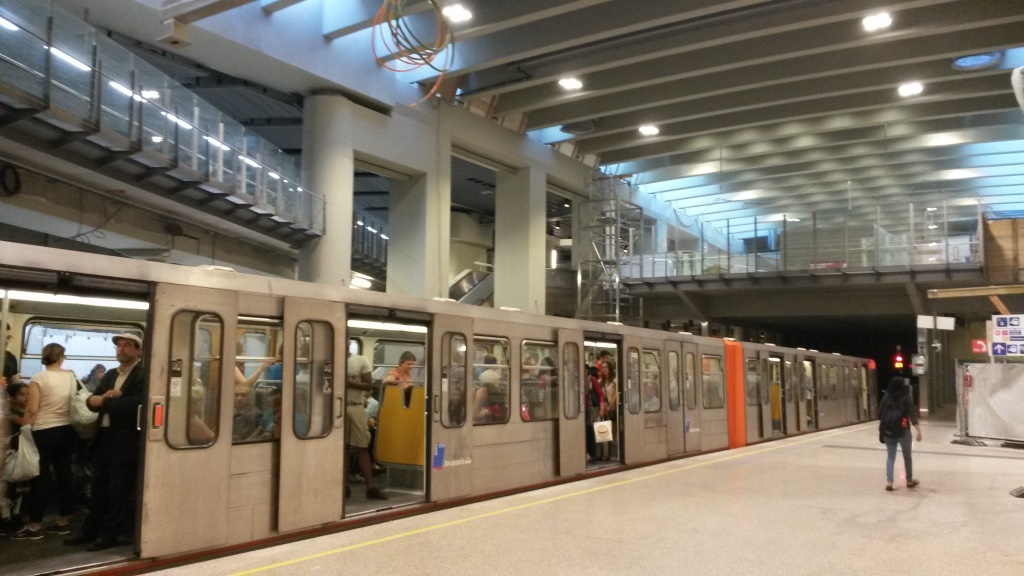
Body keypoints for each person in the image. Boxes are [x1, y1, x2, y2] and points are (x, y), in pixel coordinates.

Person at [65, 333, 146, 551]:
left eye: (127, 345)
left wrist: (105, 401)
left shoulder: (142, 374)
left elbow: (136, 405)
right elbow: (92, 401)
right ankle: (90, 529)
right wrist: (106, 398)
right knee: (98, 488)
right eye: (119, 345)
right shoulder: (110, 374)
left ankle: (110, 534)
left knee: (118, 491)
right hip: (104, 438)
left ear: (138, 350)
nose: (121, 349)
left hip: (126, 441)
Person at [11, 343, 78, 540]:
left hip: (43, 431)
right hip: (66, 430)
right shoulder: (70, 376)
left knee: (40, 478)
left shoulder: (39, 377)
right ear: (61, 357)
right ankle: (63, 521)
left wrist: (25, 427)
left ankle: (35, 525)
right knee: (65, 474)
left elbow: (32, 409)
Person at [345, 351, 386, 500]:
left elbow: (369, 384)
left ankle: (370, 487)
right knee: (342, 449)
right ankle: (344, 487)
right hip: (338, 407)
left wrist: (347, 382)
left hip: (356, 406)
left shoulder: (360, 360)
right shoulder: (332, 359)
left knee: (362, 446)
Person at [879, 376, 922, 492]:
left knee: (890, 457)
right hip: (903, 431)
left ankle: (889, 482)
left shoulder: (886, 397)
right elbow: (912, 414)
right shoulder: (906, 398)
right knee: (907, 457)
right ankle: (909, 480)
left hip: (888, 432)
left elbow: (880, 413)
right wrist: (918, 430)